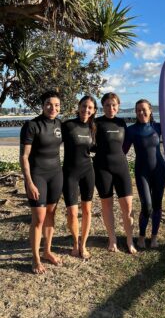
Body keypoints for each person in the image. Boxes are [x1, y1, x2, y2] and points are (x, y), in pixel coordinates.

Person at [20, 91, 63, 274]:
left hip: (56, 174)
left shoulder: (59, 124)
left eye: (56, 105)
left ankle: (47, 251)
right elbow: (24, 156)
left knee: (51, 215)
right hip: (37, 175)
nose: (53, 108)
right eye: (49, 104)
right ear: (42, 105)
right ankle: (35, 258)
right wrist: (29, 182)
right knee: (38, 218)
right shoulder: (32, 125)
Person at [93, 92, 137, 254]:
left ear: (118, 106)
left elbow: (125, 145)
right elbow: (89, 143)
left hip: (121, 167)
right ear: (102, 107)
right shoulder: (96, 123)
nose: (111, 108)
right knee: (107, 205)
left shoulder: (121, 123)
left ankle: (129, 240)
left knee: (127, 206)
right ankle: (112, 239)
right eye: (107, 105)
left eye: (114, 105)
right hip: (102, 168)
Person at [123, 99, 165, 248]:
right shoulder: (131, 130)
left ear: (150, 111)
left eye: (144, 109)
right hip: (142, 172)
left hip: (160, 170)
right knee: (146, 206)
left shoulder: (159, 127)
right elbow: (122, 151)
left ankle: (154, 236)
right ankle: (141, 236)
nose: (141, 112)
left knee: (157, 205)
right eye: (138, 110)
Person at [62, 96, 97, 259]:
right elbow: (51, 141)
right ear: (79, 107)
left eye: (90, 107)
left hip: (87, 172)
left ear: (94, 111)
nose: (86, 110)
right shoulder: (68, 125)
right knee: (72, 212)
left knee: (87, 211)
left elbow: (99, 148)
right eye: (84, 106)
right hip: (70, 173)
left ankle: (83, 245)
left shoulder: (93, 128)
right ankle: (75, 243)